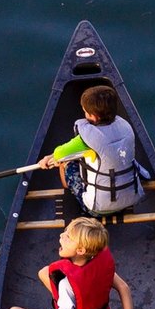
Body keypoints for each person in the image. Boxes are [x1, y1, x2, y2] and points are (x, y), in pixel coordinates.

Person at [6, 216, 148, 309]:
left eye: (67, 237)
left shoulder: (66, 284)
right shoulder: (98, 258)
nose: (61, 235)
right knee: (44, 272)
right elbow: (123, 287)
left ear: (80, 250)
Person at [40, 85, 143, 216]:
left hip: (98, 209)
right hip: (130, 199)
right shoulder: (126, 127)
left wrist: (46, 160)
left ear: (93, 117)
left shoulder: (84, 140)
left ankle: (70, 190)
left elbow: (59, 154)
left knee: (67, 164)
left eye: (85, 111)